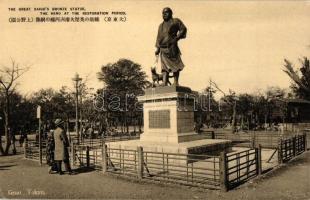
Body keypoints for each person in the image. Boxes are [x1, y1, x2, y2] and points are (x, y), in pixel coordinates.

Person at [155, 7, 187, 86]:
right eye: (163, 13)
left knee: (175, 65)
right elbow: (158, 38)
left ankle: (176, 82)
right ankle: (165, 82)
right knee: (164, 67)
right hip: (163, 48)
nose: (164, 14)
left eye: (166, 12)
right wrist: (158, 48)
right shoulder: (160, 26)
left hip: (172, 47)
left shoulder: (175, 21)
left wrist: (176, 38)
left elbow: (183, 29)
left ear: (171, 13)